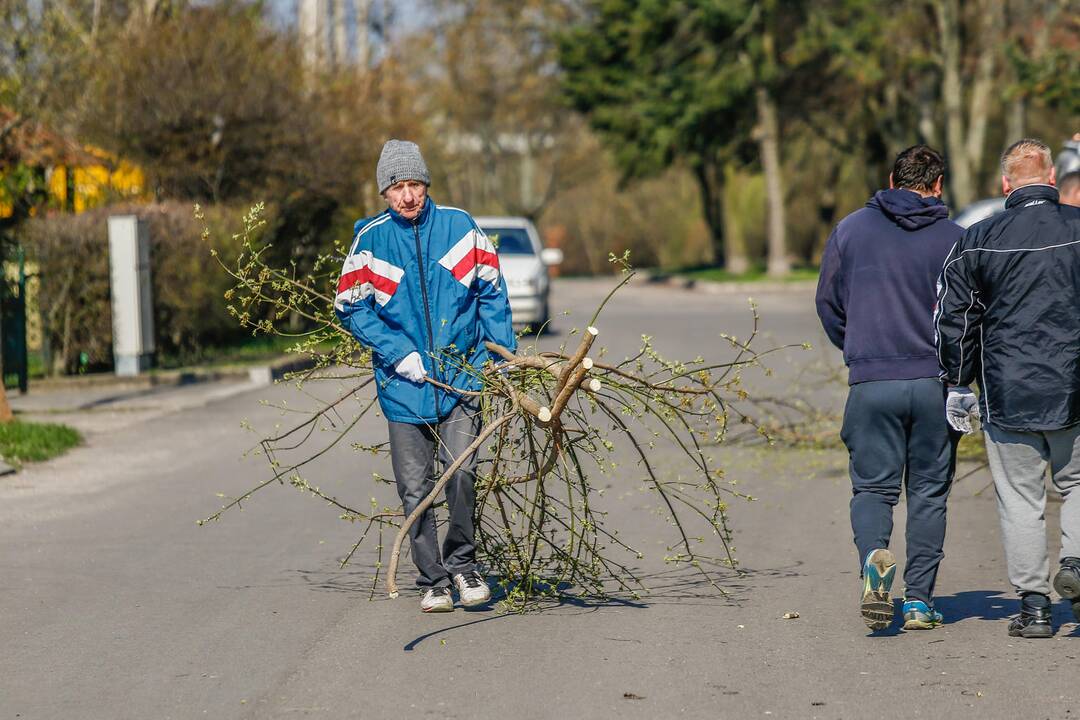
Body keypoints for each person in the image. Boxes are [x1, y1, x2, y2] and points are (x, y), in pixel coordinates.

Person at [335, 139, 516, 613]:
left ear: (426, 184)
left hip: (460, 380)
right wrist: (397, 353)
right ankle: (432, 578)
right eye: (397, 187)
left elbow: (492, 292)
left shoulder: (460, 228)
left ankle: (463, 565)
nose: (408, 195)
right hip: (403, 387)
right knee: (415, 489)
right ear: (385, 193)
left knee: (462, 473)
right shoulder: (370, 241)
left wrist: (501, 355)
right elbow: (350, 307)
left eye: (414, 184)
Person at [937, 138, 1080, 638]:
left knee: (1020, 499)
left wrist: (958, 383)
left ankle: (1036, 606)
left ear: (1005, 184)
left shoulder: (978, 239)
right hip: (1075, 386)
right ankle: (1078, 565)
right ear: (1052, 179)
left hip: (1007, 390)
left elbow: (955, 319)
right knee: (1079, 484)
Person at [816, 144, 962, 632]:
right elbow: (970, 317)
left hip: (872, 381)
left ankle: (875, 561)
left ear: (891, 180)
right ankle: (919, 600)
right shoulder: (956, 240)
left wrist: (859, 348)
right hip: (932, 384)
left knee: (873, 489)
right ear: (938, 185)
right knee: (928, 492)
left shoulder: (851, 230)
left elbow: (828, 303)